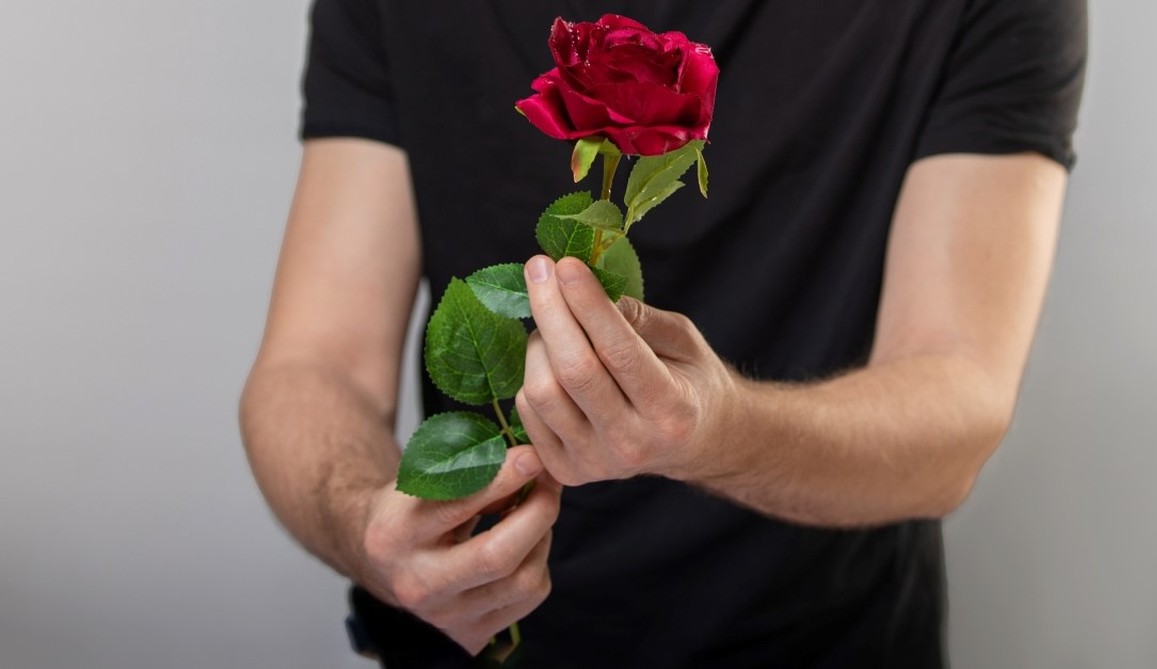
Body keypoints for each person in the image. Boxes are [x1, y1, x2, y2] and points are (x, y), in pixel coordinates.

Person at [240, 1, 1086, 667]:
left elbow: (959, 406)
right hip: (475, 648)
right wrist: (371, 530)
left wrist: (715, 431)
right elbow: (315, 363)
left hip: (817, 642)